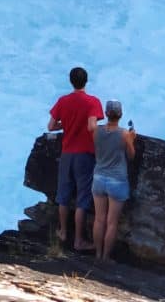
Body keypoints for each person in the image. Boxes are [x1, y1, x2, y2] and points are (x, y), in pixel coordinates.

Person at [48, 66, 104, 250]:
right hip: (85, 155)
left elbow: (51, 126)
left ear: (71, 81)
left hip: (66, 153)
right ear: (85, 81)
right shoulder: (92, 102)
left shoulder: (63, 101)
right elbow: (92, 126)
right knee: (82, 197)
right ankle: (78, 240)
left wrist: (67, 125)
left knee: (63, 195)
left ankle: (63, 232)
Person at [92, 99, 136, 261]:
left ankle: (97, 253)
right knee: (112, 222)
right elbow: (131, 156)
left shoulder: (96, 131)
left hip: (98, 177)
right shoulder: (124, 134)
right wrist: (131, 139)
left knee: (99, 218)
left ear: (106, 114)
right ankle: (105, 257)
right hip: (117, 180)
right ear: (121, 114)